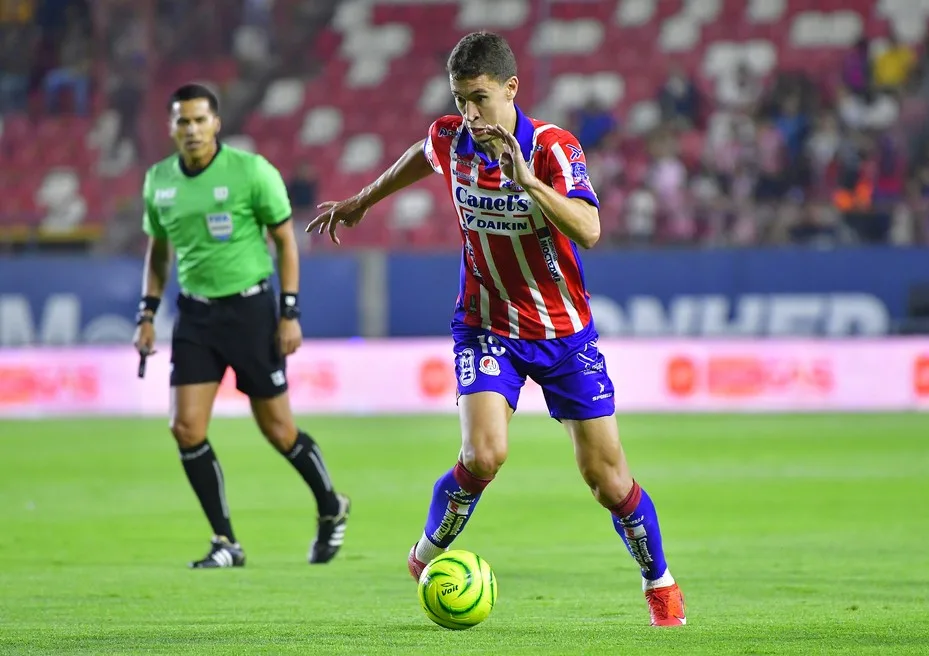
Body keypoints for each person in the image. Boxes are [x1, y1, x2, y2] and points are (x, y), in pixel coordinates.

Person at [307, 32, 686, 626]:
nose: (469, 113)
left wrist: (528, 182)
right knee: (483, 454)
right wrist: (362, 199)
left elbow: (589, 230)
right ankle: (427, 554)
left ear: (511, 89)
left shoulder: (554, 150)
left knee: (608, 480)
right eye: (460, 99)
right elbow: (421, 152)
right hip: (486, 326)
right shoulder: (451, 138)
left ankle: (658, 582)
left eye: (479, 98)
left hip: (565, 334)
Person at [134, 84, 350, 569]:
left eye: (199, 120)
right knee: (185, 427)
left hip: (251, 313)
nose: (190, 129)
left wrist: (288, 311)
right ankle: (225, 541)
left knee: (279, 431)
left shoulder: (251, 172)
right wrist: (146, 315)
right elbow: (158, 253)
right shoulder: (158, 182)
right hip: (195, 315)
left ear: (216, 123)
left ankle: (331, 507)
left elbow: (285, 242)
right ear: (171, 128)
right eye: (181, 121)